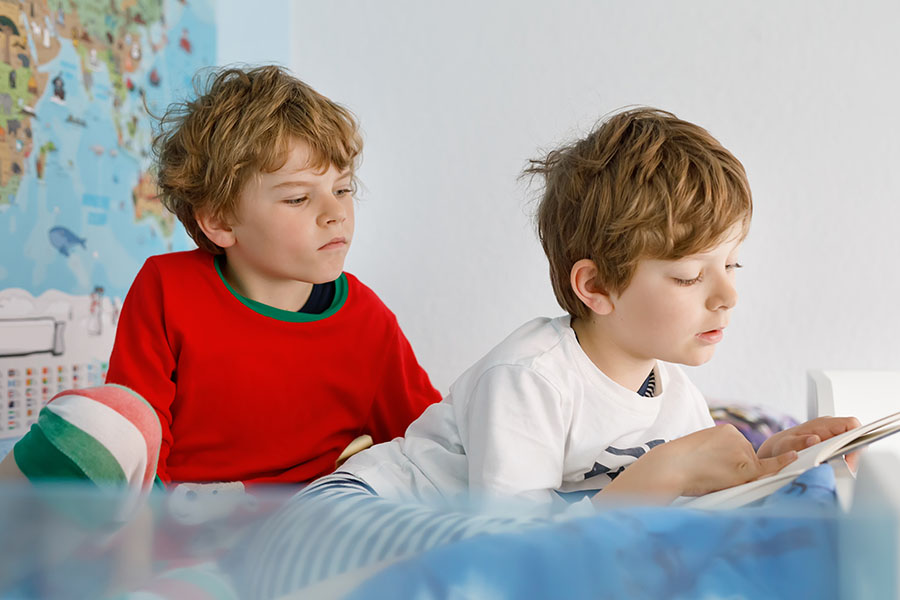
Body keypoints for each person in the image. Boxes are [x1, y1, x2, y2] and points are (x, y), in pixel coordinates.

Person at [236, 107, 860, 597]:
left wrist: (768, 463)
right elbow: (511, 550)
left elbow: (687, 504)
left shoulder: (675, 399)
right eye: (690, 277)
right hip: (349, 523)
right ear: (597, 286)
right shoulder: (532, 376)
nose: (726, 296)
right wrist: (660, 474)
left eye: (732, 265)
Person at [0, 65, 441, 492]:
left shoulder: (368, 321)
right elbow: (139, 441)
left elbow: (431, 442)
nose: (335, 213)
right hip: (169, 528)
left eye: (342, 189)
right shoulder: (166, 288)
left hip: (299, 534)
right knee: (102, 419)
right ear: (219, 222)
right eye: (298, 198)